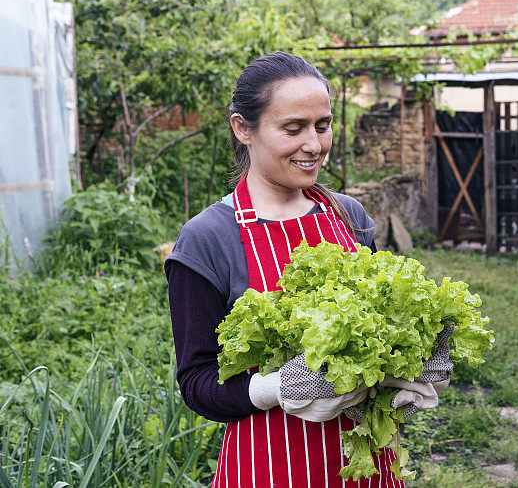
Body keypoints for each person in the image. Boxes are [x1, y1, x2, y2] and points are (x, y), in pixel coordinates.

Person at [165, 52, 452, 488]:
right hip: (268, 468)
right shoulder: (208, 238)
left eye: (323, 125)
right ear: (243, 128)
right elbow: (198, 384)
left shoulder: (348, 215)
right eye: (293, 128)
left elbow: (373, 342)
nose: (315, 145)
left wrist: (410, 371)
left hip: (365, 463)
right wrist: (276, 388)